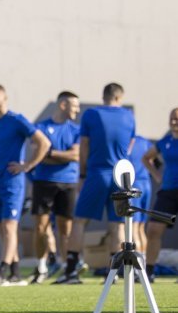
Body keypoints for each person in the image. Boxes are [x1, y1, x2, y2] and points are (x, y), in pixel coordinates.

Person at [56, 83, 136, 284]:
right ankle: (115, 273)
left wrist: (82, 174)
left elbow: (84, 145)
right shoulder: (129, 116)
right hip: (120, 176)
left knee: (80, 221)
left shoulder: (91, 114)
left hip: (97, 173)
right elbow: (130, 146)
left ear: (104, 96)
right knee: (116, 224)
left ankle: (71, 271)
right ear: (120, 97)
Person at [0, 84, 50, 286]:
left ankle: (1, 271)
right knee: (3, 228)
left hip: (13, 183)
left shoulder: (16, 120)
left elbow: (43, 143)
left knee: (10, 226)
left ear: (5, 97)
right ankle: (15, 271)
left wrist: (27, 166)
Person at [28, 91, 81, 284]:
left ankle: (67, 268)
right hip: (44, 182)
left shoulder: (76, 130)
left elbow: (76, 156)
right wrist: (57, 155)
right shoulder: (41, 127)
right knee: (40, 227)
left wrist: (50, 153)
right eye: (74, 105)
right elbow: (38, 155)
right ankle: (41, 266)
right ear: (62, 105)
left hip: (68, 182)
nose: (77, 109)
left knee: (65, 229)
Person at [142, 108, 178, 283]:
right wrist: (157, 175)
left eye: (177, 119)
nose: (173, 122)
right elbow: (146, 158)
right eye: (172, 119)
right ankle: (149, 271)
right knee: (153, 229)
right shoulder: (165, 142)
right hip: (168, 191)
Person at [128, 134, 153, 264]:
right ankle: (144, 264)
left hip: (135, 185)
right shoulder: (144, 141)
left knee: (133, 227)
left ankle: (138, 266)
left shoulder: (125, 141)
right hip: (147, 184)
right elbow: (154, 160)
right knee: (141, 228)